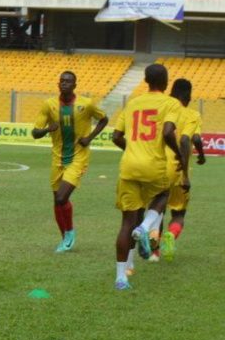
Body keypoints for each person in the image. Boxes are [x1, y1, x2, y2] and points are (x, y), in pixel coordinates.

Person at [110, 64, 184, 291]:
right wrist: (179, 153)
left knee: (125, 223)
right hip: (153, 164)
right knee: (163, 194)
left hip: (129, 166)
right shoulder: (171, 103)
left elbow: (116, 136)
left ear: (146, 80)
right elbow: (167, 131)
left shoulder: (133, 103)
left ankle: (121, 278)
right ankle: (144, 228)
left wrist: (131, 149)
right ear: (166, 82)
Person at [31, 71, 109, 252]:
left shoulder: (86, 104)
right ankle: (65, 238)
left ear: (75, 85)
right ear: (58, 84)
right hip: (57, 158)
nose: (64, 83)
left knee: (61, 197)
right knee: (57, 201)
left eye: (68, 81)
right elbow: (35, 133)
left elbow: (103, 119)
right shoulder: (49, 105)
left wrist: (89, 138)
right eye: (62, 81)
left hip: (78, 157)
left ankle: (70, 232)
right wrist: (47, 129)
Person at [156, 78, 206, 262]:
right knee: (178, 214)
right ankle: (171, 235)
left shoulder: (164, 110)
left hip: (158, 166)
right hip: (177, 169)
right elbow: (192, 140)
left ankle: (154, 252)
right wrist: (200, 157)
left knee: (157, 210)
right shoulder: (192, 114)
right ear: (188, 95)